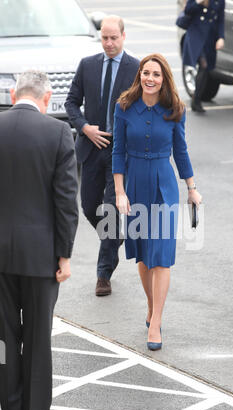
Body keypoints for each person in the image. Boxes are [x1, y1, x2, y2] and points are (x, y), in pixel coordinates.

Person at [0, 71, 78, 410]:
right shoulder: (58, 133)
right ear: (47, 98)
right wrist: (64, 255)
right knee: (36, 340)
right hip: (40, 256)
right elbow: (65, 202)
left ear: (13, 94)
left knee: (3, 341)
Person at [112, 54, 202, 350]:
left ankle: (156, 322)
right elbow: (117, 152)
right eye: (146, 73)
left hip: (164, 184)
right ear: (140, 75)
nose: (150, 78)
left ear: (164, 79)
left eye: (156, 74)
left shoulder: (175, 109)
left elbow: (182, 151)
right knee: (142, 254)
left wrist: (192, 188)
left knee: (161, 255)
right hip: (135, 182)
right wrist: (120, 192)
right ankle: (151, 306)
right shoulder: (124, 106)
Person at [65, 16, 139, 297]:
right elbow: (72, 102)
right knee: (88, 206)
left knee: (109, 209)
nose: (108, 43)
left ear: (123, 36)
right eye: (104, 38)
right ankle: (115, 237)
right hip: (91, 146)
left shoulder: (136, 69)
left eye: (113, 38)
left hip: (121, 150)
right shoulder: (88, 65)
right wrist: (84, 127)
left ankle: (103, 273)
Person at [182, 0, 225, 113]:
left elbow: (221, 19)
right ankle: (196, 99)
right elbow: (187, 10)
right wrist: (198, 2)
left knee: (206, 68)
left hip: (210, 38)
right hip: (195, 34)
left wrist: (221, 37)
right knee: (203, 64)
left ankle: (197, 98)